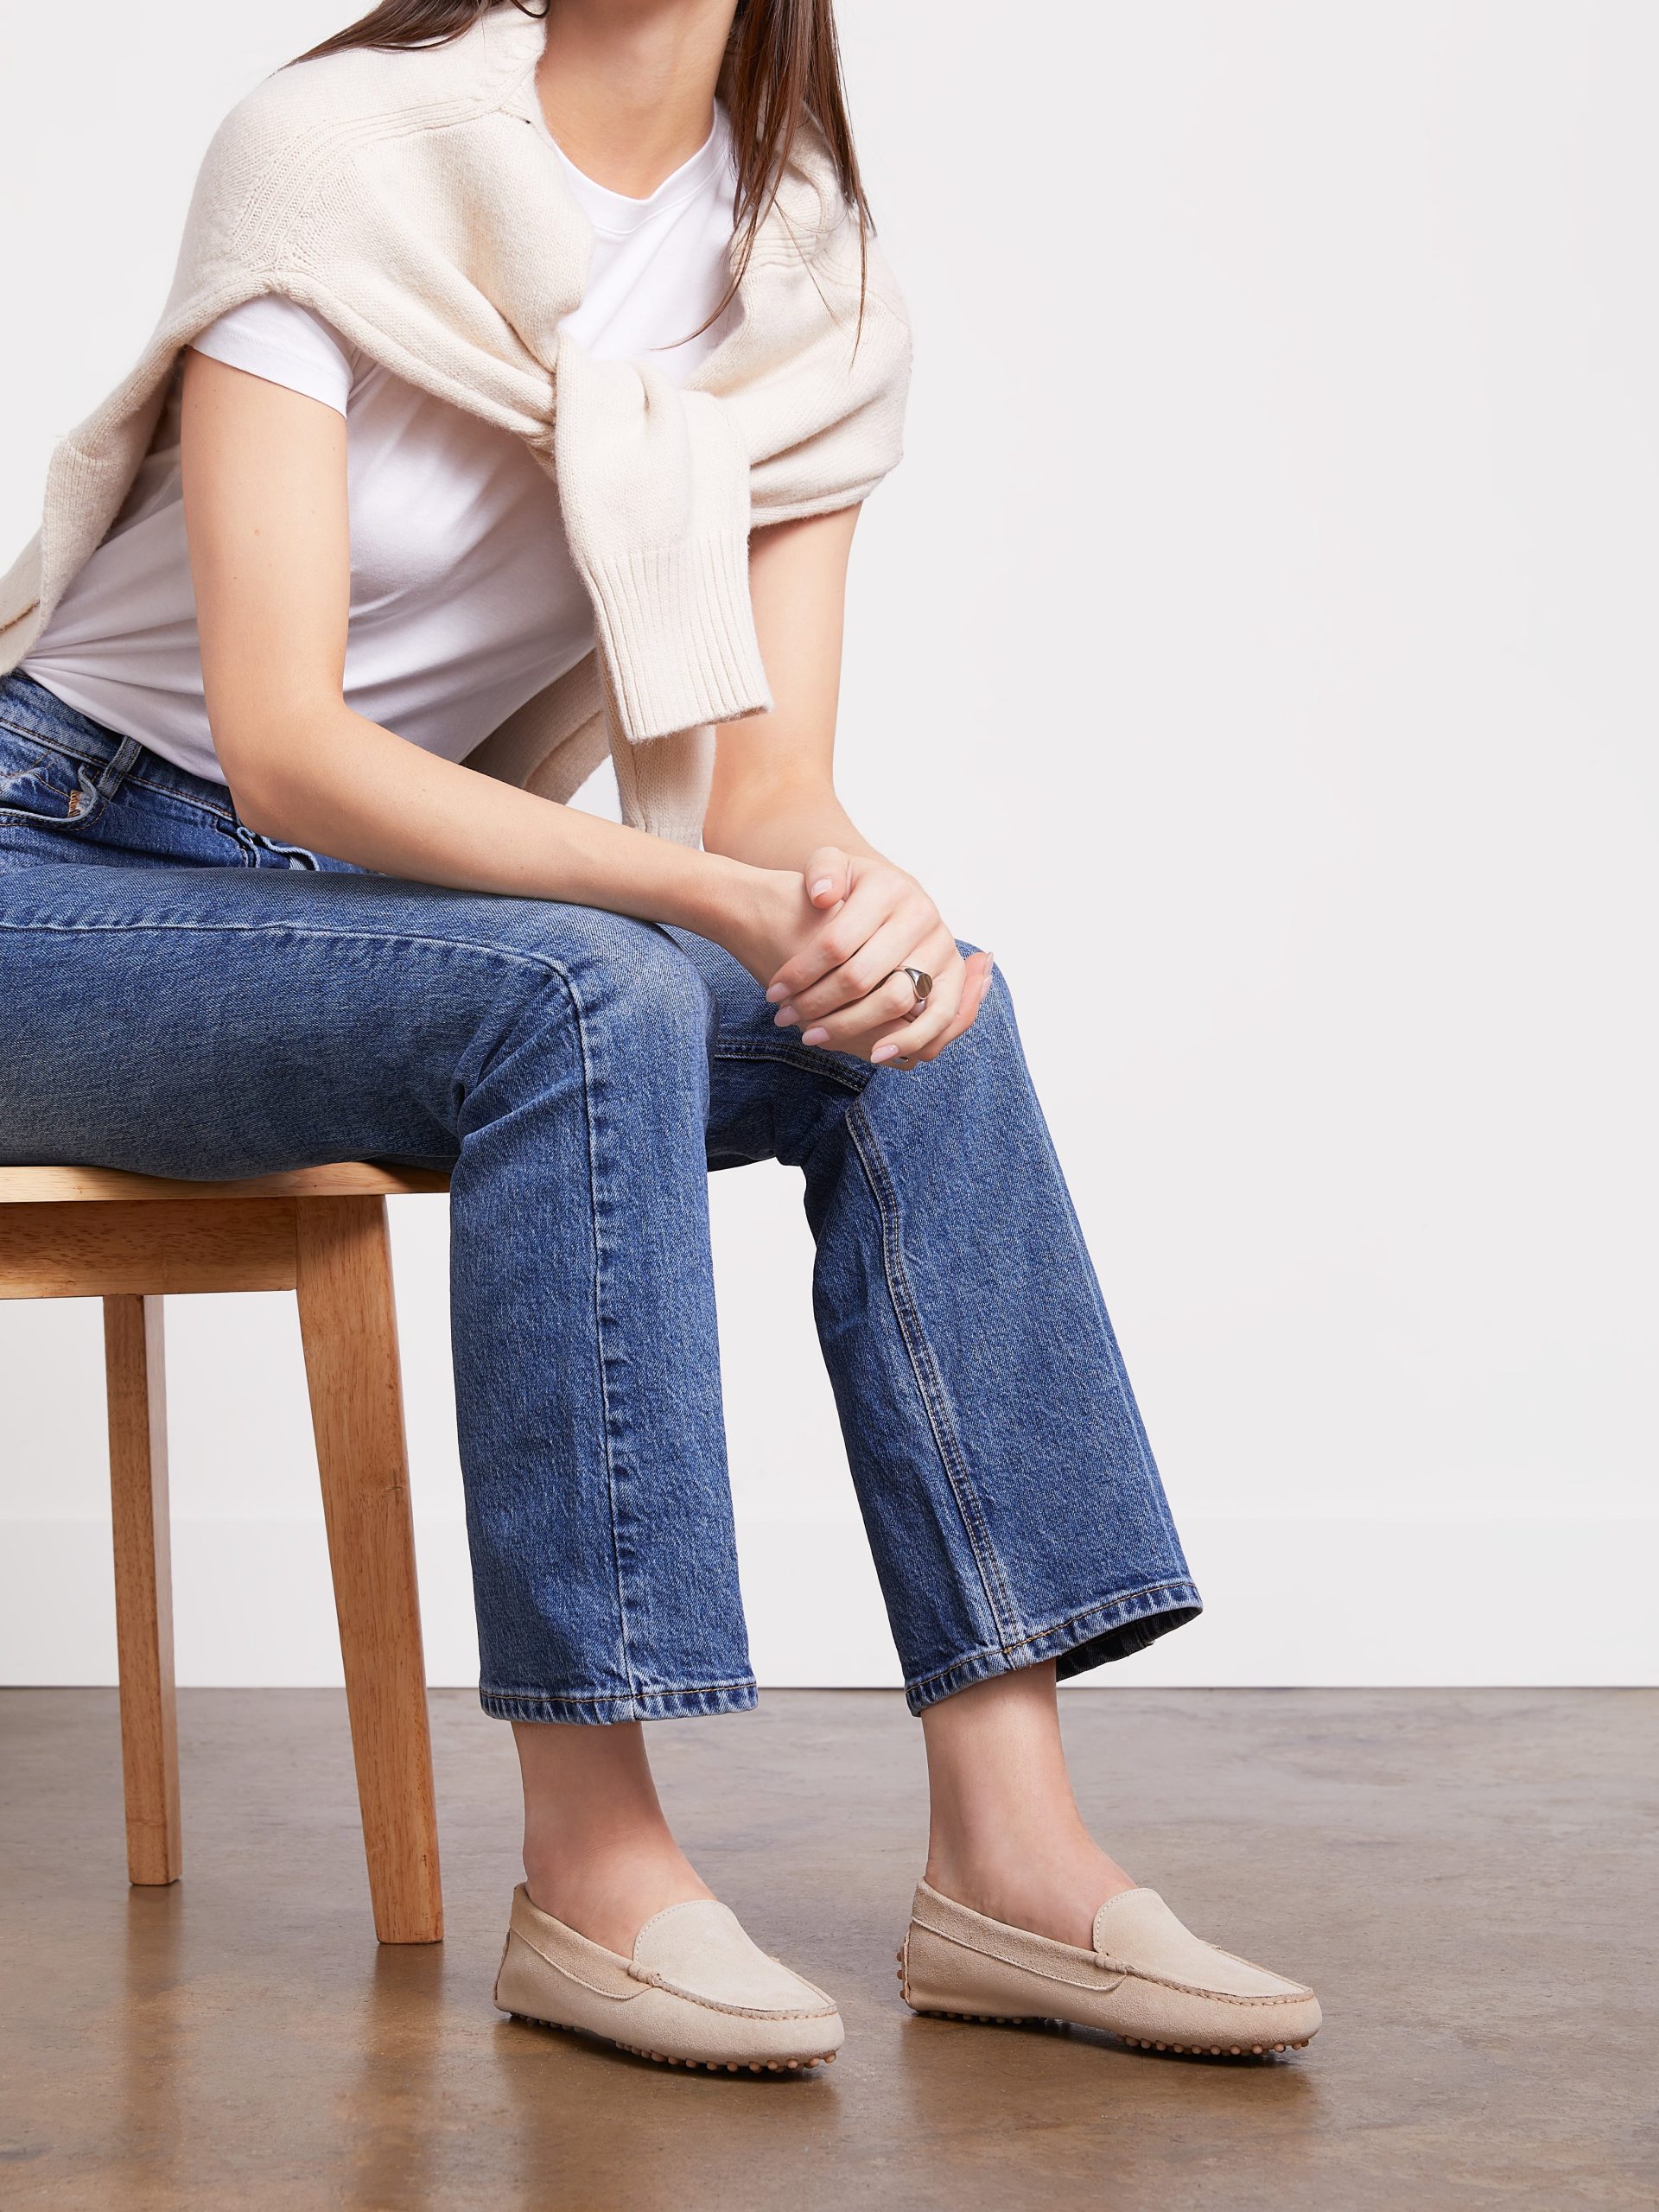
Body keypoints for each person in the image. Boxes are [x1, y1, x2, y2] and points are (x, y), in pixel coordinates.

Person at [0, 0, 1320, 2071]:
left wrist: (855, 906)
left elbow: (768, 789)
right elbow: (284, 742)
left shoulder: (811, 281)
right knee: (585, 985)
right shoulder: (340, 151)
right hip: (58, 861)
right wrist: (698, 894)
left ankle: (1014, 1854)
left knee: (923, 1015)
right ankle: (598, 1867)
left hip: (363, 909)